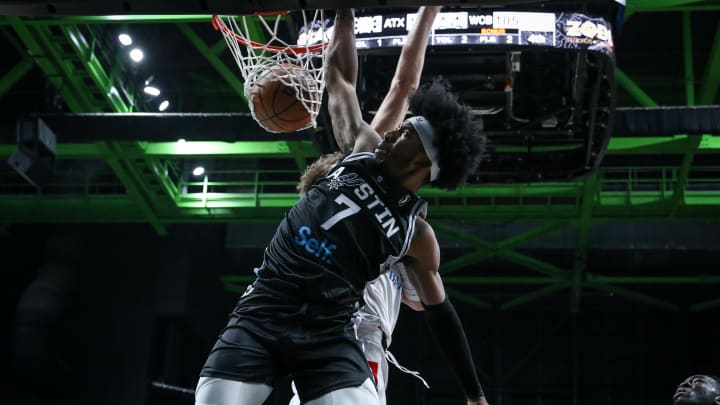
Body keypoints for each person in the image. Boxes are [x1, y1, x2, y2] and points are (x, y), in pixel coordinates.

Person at [195, 6, 489, 405]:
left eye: (404, 132)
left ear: (424, 160)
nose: (391, 130)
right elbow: (340, 80)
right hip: (267, 306)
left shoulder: (414, 233)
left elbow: (438, 312)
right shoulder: (362, 151)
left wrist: (475, 396)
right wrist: (344, 10)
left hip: (333, 331)